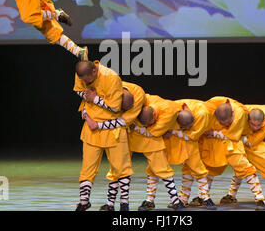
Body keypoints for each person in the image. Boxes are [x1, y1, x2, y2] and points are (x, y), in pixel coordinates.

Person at [73, 60, 133, 211]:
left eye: (88, 80)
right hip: (91, 130)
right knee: (87, 168)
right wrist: (88, 101)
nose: (86, 83)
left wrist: (94, 98)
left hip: (112, 131)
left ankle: (124, 203)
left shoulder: (112, 78)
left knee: (121, 169)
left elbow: (114, 107)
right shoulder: (81, 73)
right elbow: (79, 92)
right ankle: (84, 201)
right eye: (83, 81)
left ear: (94, 71)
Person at [190, 97, 265, 210]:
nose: (225, 124)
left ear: (232, 114)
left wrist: (215, 133)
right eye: (222, 122)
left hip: (232, 144)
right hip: (214, 144)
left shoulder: (239, 113)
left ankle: (260, 199)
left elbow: (235, 134)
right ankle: (203, 197)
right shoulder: (208, 110)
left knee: (245, 168)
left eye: (228, 122)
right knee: (210, 168)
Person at [84, 81, 145, 211]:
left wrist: (98, 125)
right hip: (109, 127)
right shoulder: (105, 87)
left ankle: (124, 204)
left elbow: (123, 121)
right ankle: (110, 204)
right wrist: (89, 118)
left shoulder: (139, 95)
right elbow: (86, 103)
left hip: (128, 128)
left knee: (122, 168)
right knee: (117, 169)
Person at [127, 94, 186, 211]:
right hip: (149, 135)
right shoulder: (144, 100)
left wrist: (138, 128)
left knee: (162, 168)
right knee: (151, 169)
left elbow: (154, 132)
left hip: (169, 133)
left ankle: (176, 201)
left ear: (154, 115)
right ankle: (150, 201)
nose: (149, 126)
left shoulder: (169, 110)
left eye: (150, 123)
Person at [163, 99, 217, 210]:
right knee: (187, 169)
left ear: (193, 120)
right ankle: (183, 199)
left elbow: (193, 136)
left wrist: (174, 132)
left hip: (203, 136)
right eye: (185, 127)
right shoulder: (172, 112)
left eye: (189, 126)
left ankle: (205, 198)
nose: (187, 129)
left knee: (198, 169)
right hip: (182, 141)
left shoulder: (202, 114)